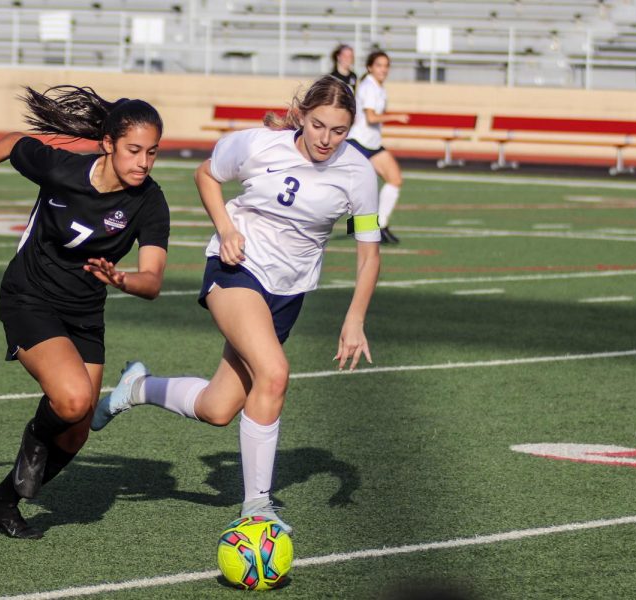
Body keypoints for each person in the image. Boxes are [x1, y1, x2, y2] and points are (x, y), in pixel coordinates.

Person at [91, 75, 381, 534]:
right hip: (236, 270)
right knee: (275, 372)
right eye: (319, 125)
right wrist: (226, 229)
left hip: (289, 292)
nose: (327, 139)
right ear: (301, 116)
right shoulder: (259, 145)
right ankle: (257, 507)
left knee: (218, 408)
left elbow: (369, 253)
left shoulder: (359, 173)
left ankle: (138, 387)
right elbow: (205, 174)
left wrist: (355, 318)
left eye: (340, 130)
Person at [0, 86, 170, 539]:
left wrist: (124, 279)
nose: (144, 162)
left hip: (85, 312)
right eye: (134, 150)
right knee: (72, 402)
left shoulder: (150, 201)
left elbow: (151, 280)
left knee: (76, 431)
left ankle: (2, 501)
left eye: (152, 152)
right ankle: (35, 435)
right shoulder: (60, 168)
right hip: (29, 296)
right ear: (108, 144)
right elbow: (14, 142)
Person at [348, 50, 409, 244]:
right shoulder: (369, 87)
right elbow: (372, 117)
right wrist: (396, 117)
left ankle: (380, 225)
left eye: (386, 66)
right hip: (358, 143)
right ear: (370, 68)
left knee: (395, 179)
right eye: (379, 65)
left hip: (371, 143)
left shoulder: (378, 87)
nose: (383, 69)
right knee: (349, 193)